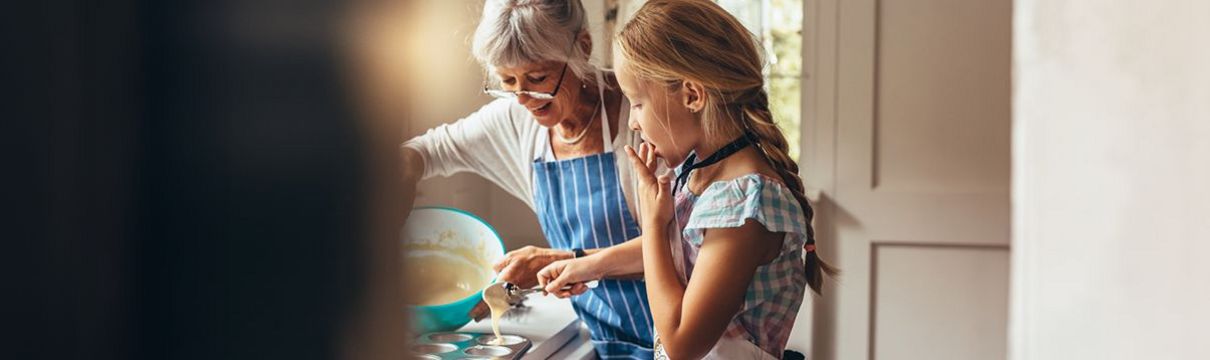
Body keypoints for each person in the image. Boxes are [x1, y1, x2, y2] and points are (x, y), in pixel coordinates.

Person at [538, 0, 834, 358]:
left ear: (692, 95)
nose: (633, 122)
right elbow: (684, 245)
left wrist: (652, 223)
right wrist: (583, 266)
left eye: (638, 103)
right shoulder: (701, 172)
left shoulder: (745, 203)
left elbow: (681, 343)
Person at [399, 0, 654, 357]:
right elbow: (427, 150)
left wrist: (560, 261)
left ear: (582, 46)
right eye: (506, 81)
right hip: (604, 339)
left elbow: (682, 248)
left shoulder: (642, 113)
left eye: (538, 79)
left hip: (679, 336)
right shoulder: (516, 118)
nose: (523, 99)